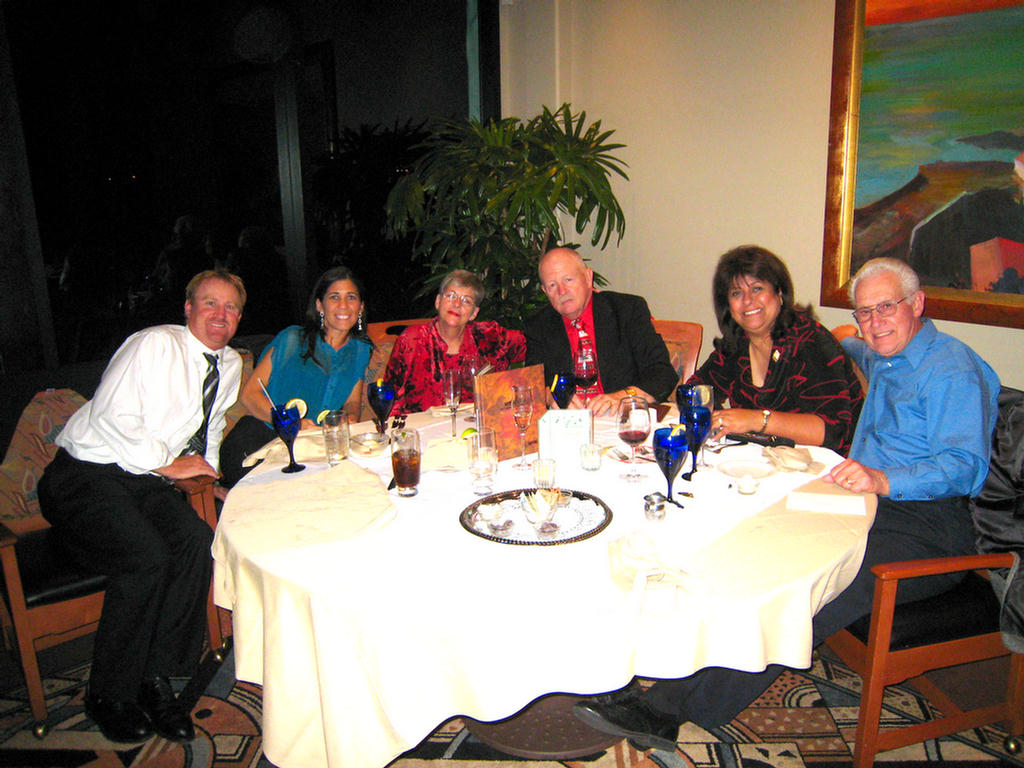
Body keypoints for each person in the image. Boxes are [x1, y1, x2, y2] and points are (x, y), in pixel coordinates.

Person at [573, 257, 1000, 751]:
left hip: (927, 523)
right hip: (860, 499)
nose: (875, 322)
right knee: (755, 545)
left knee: (801, 590)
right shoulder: (883, 352)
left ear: (918, 304)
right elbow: (842, 347)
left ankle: (669, 710)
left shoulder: (950, 369)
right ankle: (671, 662)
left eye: (887, 307)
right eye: (865, 312)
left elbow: (964, 467)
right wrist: (843, 336)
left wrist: (882, 478)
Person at [37, 270, 246, 744]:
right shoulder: (153, 345)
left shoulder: (228, 363)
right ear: (188, 309)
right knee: (145, 559)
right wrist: (169, 465)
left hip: (144, 480)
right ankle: (108, 694)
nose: (220, 315)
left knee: (196, 541)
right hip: (86, 474)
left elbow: (207, 429)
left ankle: (158, 679)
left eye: (231, 308)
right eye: (210, 304)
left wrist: (208, 477)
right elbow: (114, 417)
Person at [689, 245, 864, 454]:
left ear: (779, 292)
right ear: (728, 305)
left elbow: (831, 432)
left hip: (827, 469)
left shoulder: (810, 341)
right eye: (736, 293)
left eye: (757, 289)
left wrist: (756, 419)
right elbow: (697, 391)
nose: (748, 300)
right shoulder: (737, 343)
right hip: (761, 462)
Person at [220, 266, 374, 486]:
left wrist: (346, 420)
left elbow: (352, 402)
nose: (343, 305)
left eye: (351, 297)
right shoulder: (292, 339)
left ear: (360, 307)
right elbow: (250, 395)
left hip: (313, 448)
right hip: (259, 442)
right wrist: (294, 424)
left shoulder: (360, 349)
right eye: (334, 297)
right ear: (320, 305)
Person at [525, 247, 677, 416]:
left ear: (588, 278)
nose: (562, 291)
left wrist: (623, 396)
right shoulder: (539, 326)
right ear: (545, 291)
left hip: (623, 420)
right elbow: (531, 385)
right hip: (569, 425)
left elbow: (662, 373)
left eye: (568, 280)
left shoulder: (627, 310)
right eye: (552, 285)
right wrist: (549, 396)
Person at [383, 269, 526, 415]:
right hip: (422, 431)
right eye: (451, 296)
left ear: (474, 313)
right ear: (438, 302)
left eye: (467, 301)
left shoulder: (490, 337)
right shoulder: (412, 340)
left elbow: (536, 342)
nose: (457, 304)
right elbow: (389, 398)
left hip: (474, 430)